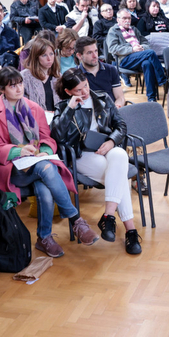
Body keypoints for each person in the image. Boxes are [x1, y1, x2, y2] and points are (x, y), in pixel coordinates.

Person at [0, 67, 97, 256]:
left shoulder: (33, 108)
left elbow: (46, 136)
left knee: (44, 189)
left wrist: (43, 150)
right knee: (46, 169)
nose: (19, 89)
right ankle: (76, 219)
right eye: (12, 86)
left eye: (20, 83)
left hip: (38, 164)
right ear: (2, 89)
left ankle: (44, 238)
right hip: (14, 168)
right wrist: (19, 150)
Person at [51, 68, 142, 255]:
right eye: (78, 90)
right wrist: (70, 108)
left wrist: (111, 141)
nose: (85, 92)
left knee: (120, 156)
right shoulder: (62, 107)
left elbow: (121, 125)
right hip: (82, 156)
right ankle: (130, 230)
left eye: (85, 86)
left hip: (106, 149)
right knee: (120, 176)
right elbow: (57, 136)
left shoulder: (102, 97)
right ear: (68, 92)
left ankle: (109, 216)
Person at [106, 10, 167, 103]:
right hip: (124, 60)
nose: (127, 20)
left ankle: (151, 98)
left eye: (129, 18)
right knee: (150, 53)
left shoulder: (134, 29)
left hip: (139, 57)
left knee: (147, 64)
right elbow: (112, 48)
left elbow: (146, 43)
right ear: (118, 20)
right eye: (124, 18)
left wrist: (142, 47)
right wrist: (132, 49)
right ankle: (163, 81)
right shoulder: (113, 31)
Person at [75, 36, 125, 105]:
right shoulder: (75, 75)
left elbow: (120, 97)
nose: (95, 56)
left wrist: (115, 109)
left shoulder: (111, 70)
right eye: (90, 53)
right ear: (79, 56)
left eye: (96, 51)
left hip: (111, 110)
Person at [20, 36, 63, 112]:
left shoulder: (58, 76)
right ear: (36, 57)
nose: (49, 59)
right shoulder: (24, 77)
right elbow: (21, 105)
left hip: (56, 120)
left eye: (51, 54)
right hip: (34, 120)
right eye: (44, 55)